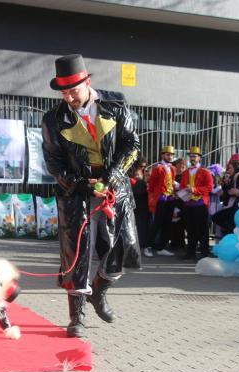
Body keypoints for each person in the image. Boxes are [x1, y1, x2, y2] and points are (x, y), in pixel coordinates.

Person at [41, 54, 141, 338]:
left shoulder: (116, 104)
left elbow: (131, 144)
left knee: (121, 250)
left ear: (88, 82)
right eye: (64, 92)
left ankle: (98, 292)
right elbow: (53, 161)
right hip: (77, 194)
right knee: (77, 254)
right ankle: (77, 317)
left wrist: (112, 178)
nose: (69, 97)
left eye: (73, 90)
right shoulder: (53, 119)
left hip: (115, 190)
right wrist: (79, 184)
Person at [179, 146, 213, 260]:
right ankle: (190, 252)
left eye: (195, 156)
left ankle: (204, 252)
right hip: (188, 204)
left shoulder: (205, 172)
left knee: (202, 230)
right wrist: (184, 192)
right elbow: (183, 186)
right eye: (191, 156)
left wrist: (194, 190)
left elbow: (209, 187)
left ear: (199, 158)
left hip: (200, 204)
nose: (192, 158)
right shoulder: (185, 173)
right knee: (190, 229)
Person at [144, 145, 177, 257]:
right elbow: (152, 185)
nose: (170, 156)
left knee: (167, 224)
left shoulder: (173, 168)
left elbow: (172, 182)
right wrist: (155, 197)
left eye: (172, 155)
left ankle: (161, 247)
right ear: (162, 155)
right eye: (168, 154)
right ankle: (148, 247)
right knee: (156, 224)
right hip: (161, 199)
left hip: (170, 199)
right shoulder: (157, 168)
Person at [212, 155, 239, 235]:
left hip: (235, 206)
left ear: (236, 167)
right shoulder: (231, 177)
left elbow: (233, 191)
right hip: (229, 205)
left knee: (226, 224)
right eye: (228, 168)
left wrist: (225, 192)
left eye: (230, 168)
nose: (228, 170)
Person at [130, 157, 149, 251]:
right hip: (136, 198)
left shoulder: (145, 172)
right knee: (136, 222)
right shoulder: (133, 172)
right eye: (141, 166)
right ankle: (136, 243)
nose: (143, 168)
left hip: (144, 199)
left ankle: (143, 243)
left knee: (143, 223)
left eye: (144, 166)